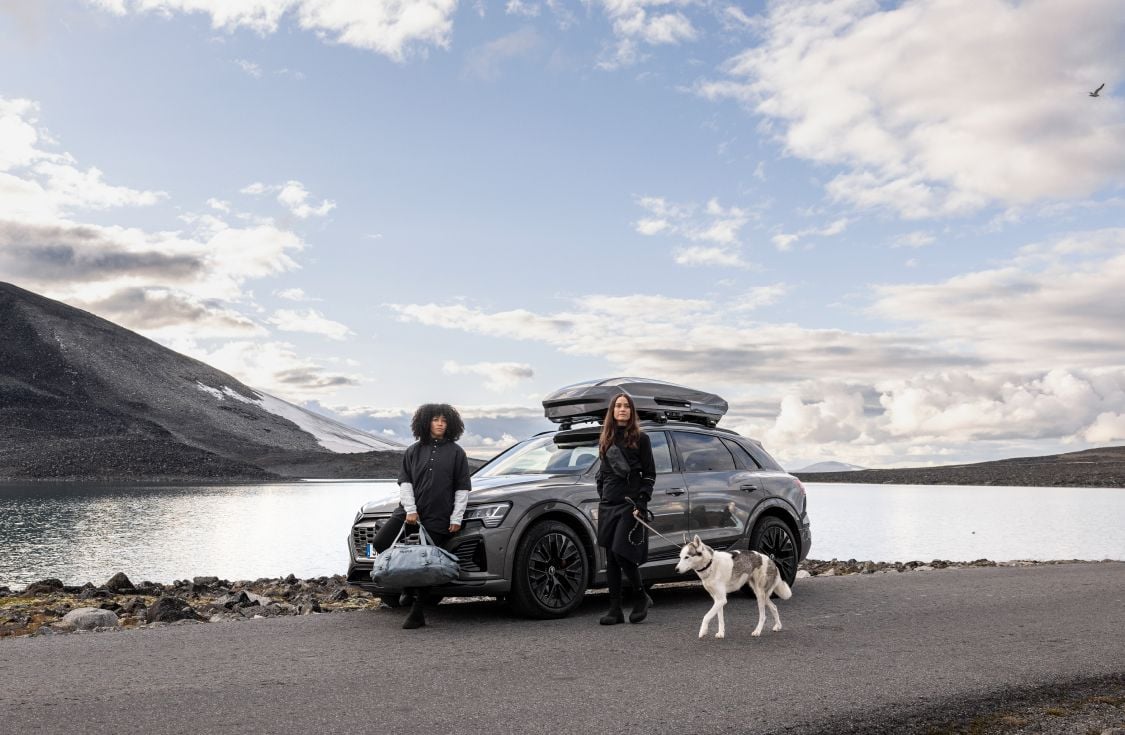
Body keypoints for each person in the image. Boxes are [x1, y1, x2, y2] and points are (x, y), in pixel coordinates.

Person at [370, 403, 471, 629]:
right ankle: (406, 588)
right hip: (408, 511)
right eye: (436, 420)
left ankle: (418, 611)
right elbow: (405, 483)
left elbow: (462, 489)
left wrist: (456, 518)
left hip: (439, 515)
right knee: (380, 542)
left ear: (451, 424)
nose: (440, 424)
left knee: (427, 563)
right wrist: (410, 510)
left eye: (444, 421)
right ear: (426, 422)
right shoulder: (413, 451)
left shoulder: (457, 453)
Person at [595, 392, 656, 625]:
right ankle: (615, 610)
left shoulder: (641, 438)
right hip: (608, 505)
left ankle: (641, 596)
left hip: (630, 505)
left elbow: (649, 474)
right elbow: (602, 473)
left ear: (632, 411)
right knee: (611, 557)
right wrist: (602, 494)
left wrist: (641, 502)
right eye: (618, 406)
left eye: (626, 406)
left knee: (622, 551)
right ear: (612, 411)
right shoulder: (606, 438)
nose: (622, 409)